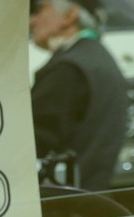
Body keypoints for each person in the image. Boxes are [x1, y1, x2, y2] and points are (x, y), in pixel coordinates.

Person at [30, 0, 128, 191]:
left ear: (69, 16)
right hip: (91, 195)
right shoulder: (97, 56)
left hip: (64, 198)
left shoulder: (68, 69)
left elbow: (33, 143)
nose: (32, 21)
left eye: (40, 11)